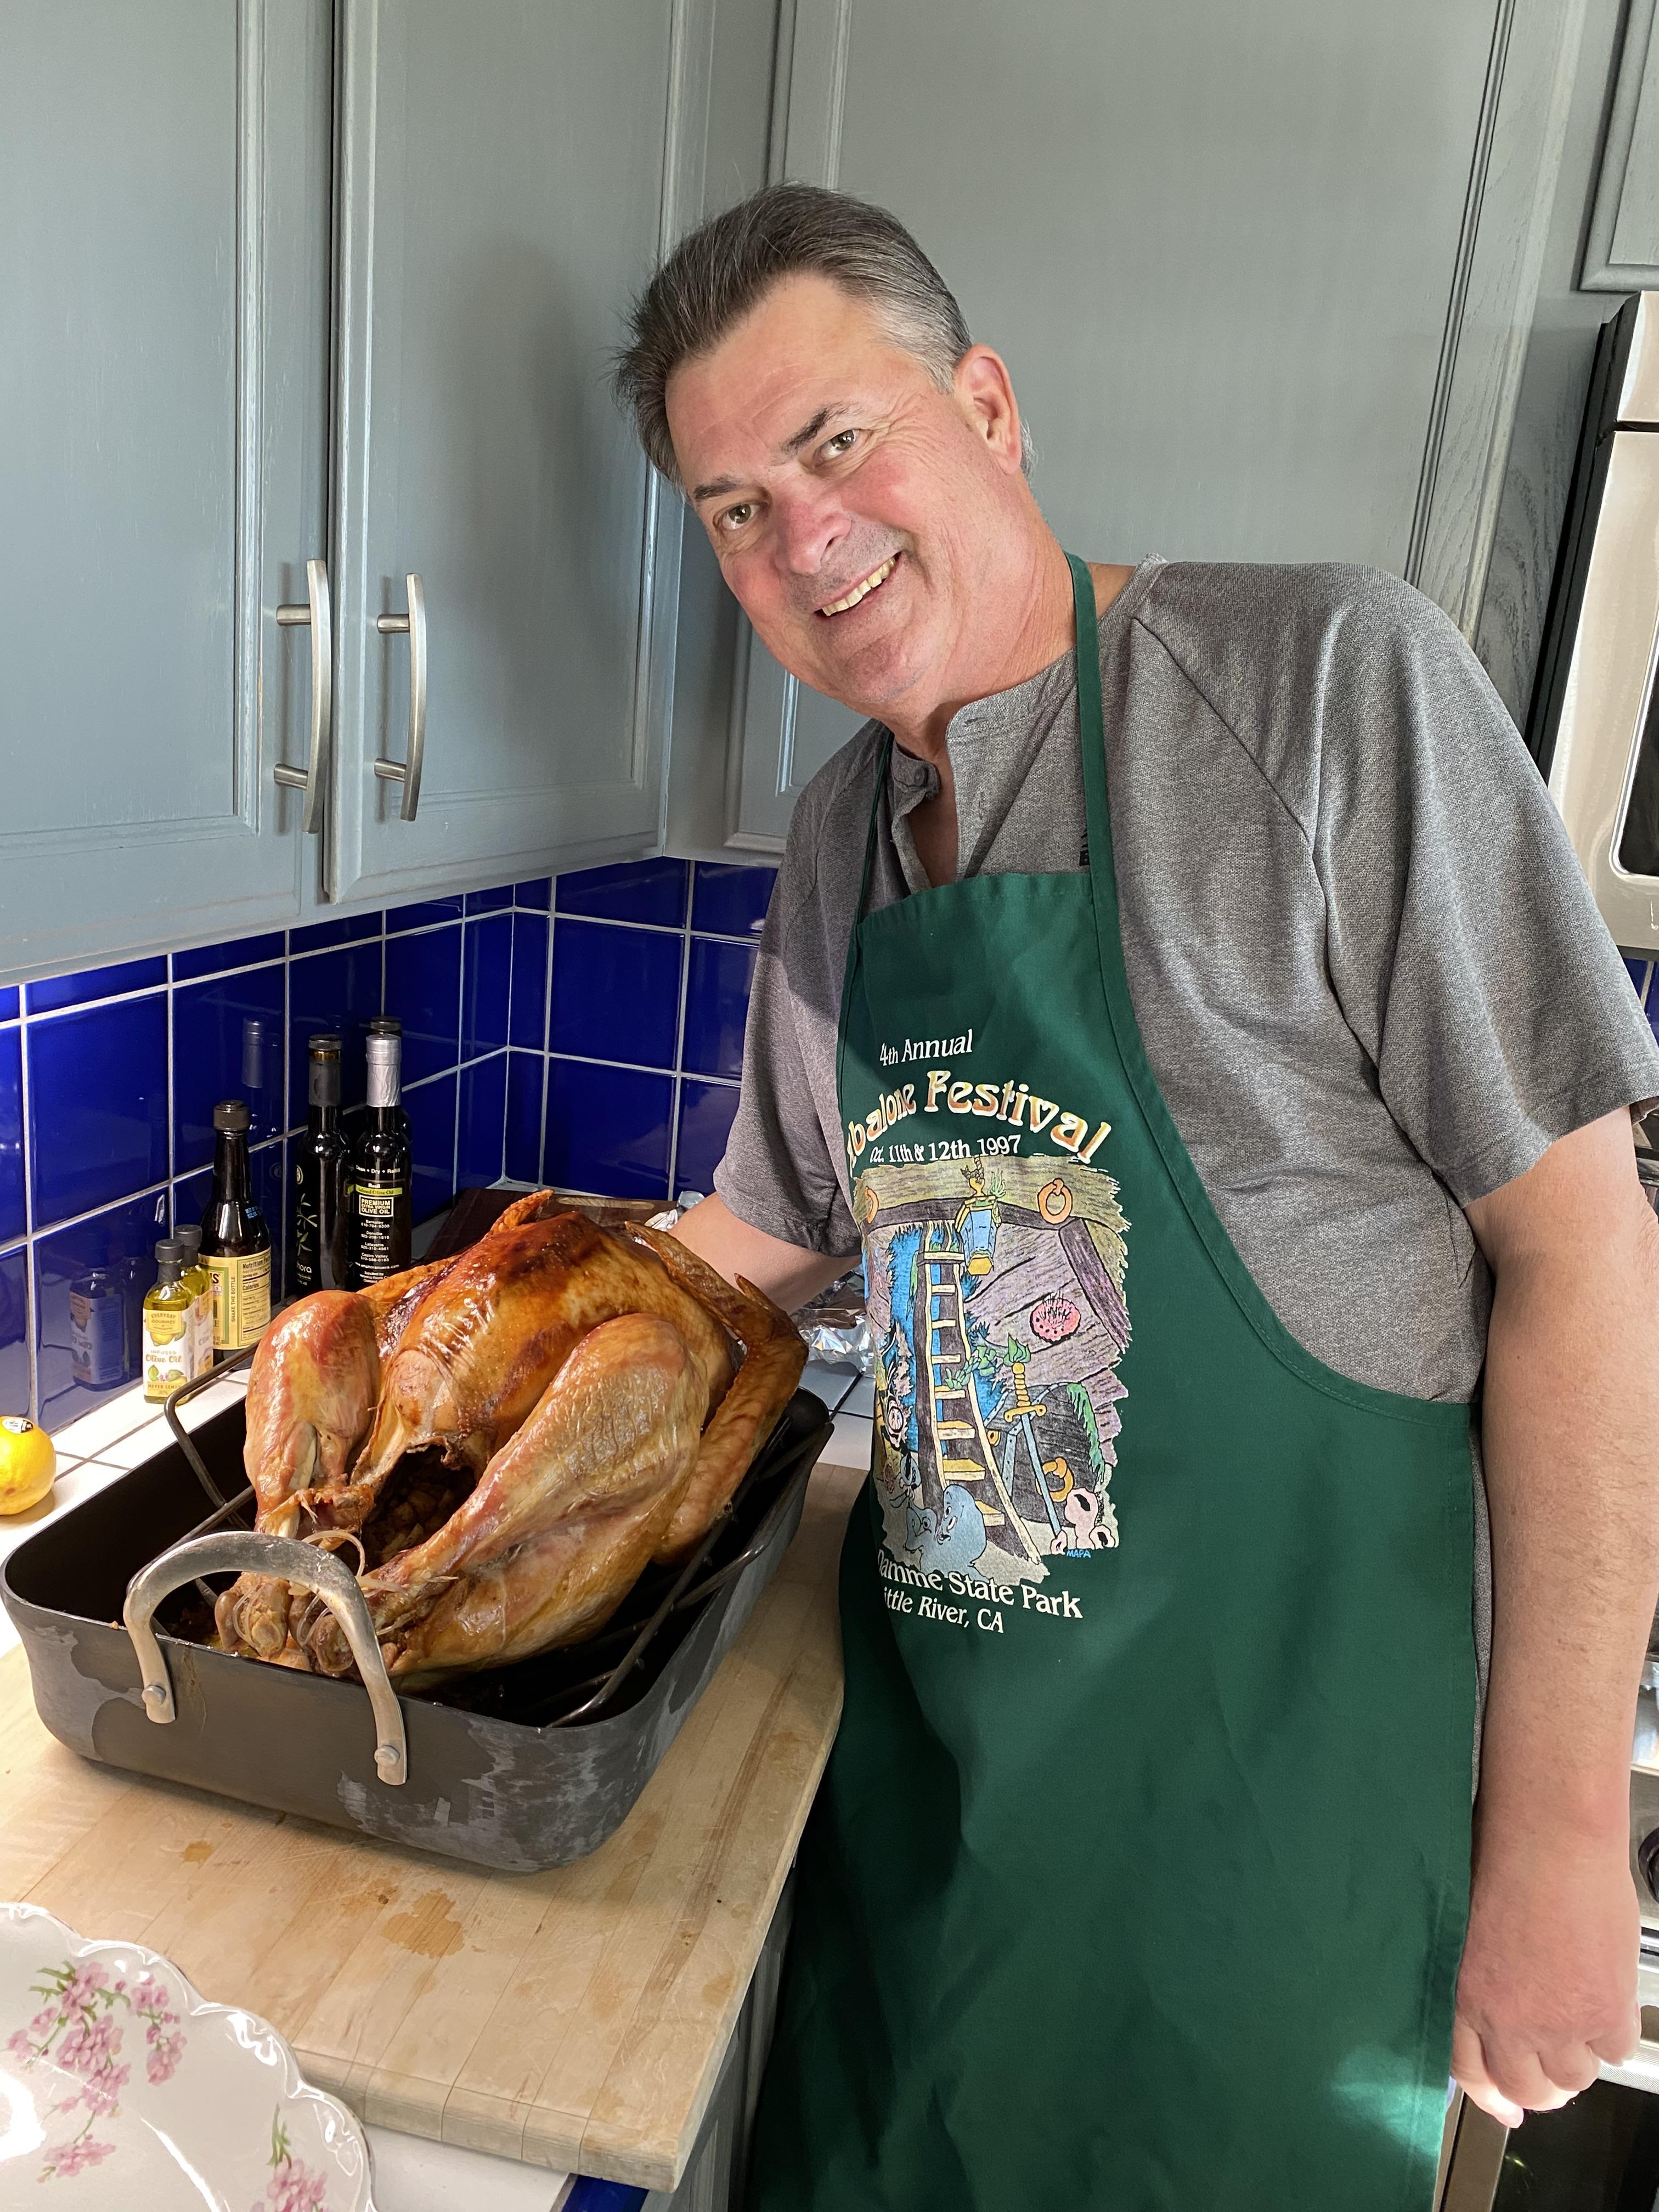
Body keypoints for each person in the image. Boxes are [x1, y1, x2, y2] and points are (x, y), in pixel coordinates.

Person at [613, 183, 1659, 2209]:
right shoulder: (842, 839)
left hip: (1259, 1855)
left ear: (987, 407)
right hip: (937, 1823)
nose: (804, 535)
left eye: (839, 442)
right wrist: (439, 1384)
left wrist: (1551, 1841)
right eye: (735, 505)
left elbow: (1591, 1247)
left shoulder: (1328, 685)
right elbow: (755, 1241)